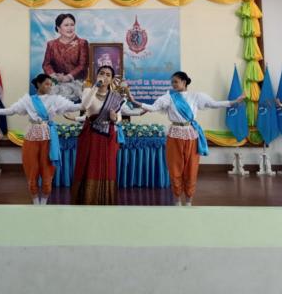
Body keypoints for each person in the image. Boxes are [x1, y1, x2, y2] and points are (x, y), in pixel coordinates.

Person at [129, 71, 245, 206]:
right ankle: (177, 200)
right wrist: (135, 102)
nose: (173, 84)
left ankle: (189, 200)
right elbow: (153, 108)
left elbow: (214, 104)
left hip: (191, 135)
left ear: (184, 82)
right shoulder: (169, 97)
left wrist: (234, 102)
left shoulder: (196, 96)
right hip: (174, 135)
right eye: (172, 82)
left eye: (176, 81)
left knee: (191, 168)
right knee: (175, 168)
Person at [0, 73, 81, 205]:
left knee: (47, 168)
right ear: (39, 84)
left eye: (51, 84)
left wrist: (89, 102)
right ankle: (35, 202)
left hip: (48, 138)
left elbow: (73, 107)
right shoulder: (28, 100)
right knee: (31, 168)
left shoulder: (55, 99)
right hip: (31, 137)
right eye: (47, 84)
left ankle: (43, 203)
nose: (50, 87)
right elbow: (11, 110)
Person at [71, 65, 129, 205]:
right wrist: (95, 87)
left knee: (107, 166)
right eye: (102, 73)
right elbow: (84, 106)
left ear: (112, 79)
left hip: (108, 136)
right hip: (91, 134)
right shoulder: (88, 91)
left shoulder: (115, 97)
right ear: (97, 76)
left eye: (108, 75)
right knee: (89, 165)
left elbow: (119, 118)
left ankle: (105, 200)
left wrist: (115, 118)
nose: (104, 76)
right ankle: (86, 199)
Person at [42, 13, 89, 101]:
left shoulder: (82, 43)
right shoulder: (51, 44)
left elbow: (82, 65)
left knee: (66, 96)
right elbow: (46, 64)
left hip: (76, 82)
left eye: (72, 25)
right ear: (58, 28)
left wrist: (67, 77)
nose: (70, 28)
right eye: (66, 25)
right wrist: (54, 76)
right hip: (56, 81)